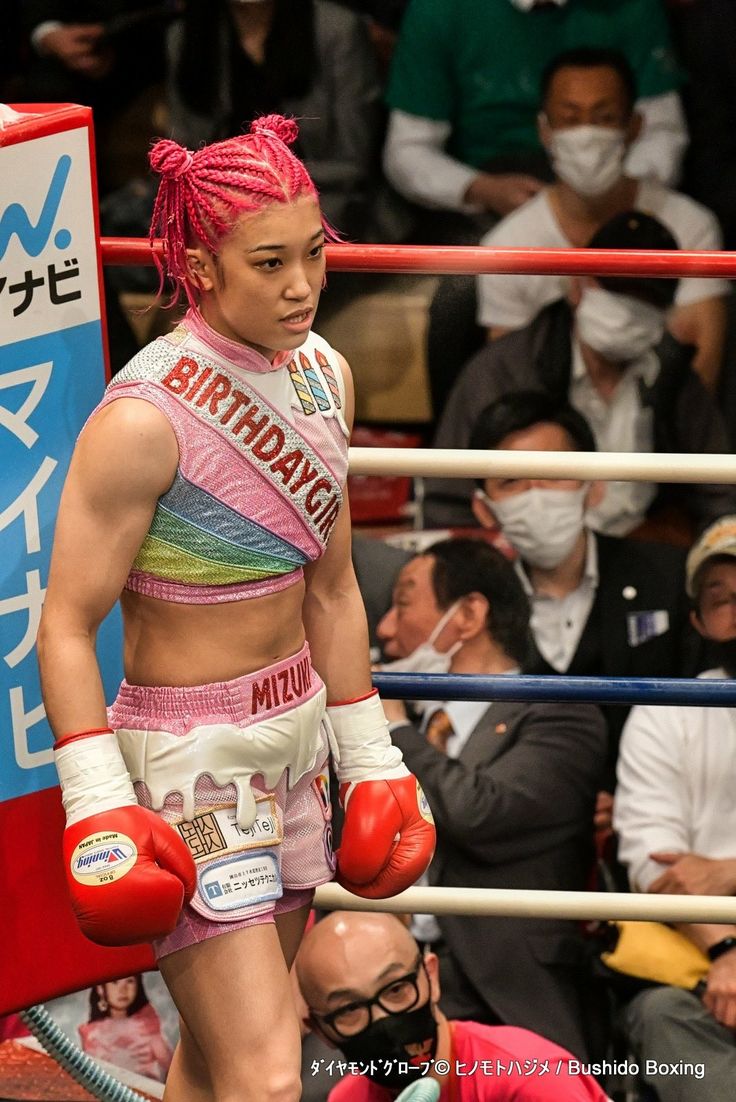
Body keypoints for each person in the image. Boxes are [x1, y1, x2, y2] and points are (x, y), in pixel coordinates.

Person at [35, 114, 435, 1102]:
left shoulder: (324, 374)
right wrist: (97, 801)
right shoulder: (142, 419)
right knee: (264, 1074)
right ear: (202, 265)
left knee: (214, 1067)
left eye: (312, 254)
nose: (301, 285)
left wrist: (372, 757)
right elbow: (66, 621)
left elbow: (333, 587)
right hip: (188, 767)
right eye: (269, 263)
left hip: (298, 739)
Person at [375, 538, 607, 1059]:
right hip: (389, 985)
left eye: (404, 602)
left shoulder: (561, 713)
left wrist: (396, 731)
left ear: (469, 614)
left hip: (512, 989)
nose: (386, 628)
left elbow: (482, 814)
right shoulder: (389, 727)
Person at [425, 212, 736, 536]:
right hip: (521, 555)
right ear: (577, 285)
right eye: (615, 290)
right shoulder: (502, 371)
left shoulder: (674, 375)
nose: (629, 310)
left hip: (642, 550)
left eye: (647, 299)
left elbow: (721, 497)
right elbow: (447, 507)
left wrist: (715, 555)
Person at [465, 392, 703, 788]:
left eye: (555, 472)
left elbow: (701, 712)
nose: (536, 493)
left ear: (594, 487)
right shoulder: (472, 605)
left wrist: (636, 799)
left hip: (653, 804)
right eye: (511, 481)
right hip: (521, 820)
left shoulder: (670, 576)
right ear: (484, 508)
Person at [477, 47, 729, 391]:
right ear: (544, 130)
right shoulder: (506, 248)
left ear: (634, 126)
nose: (587, 133)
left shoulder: (691, 227)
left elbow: (702, 363)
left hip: (664, 423)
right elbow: (508, 378)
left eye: (604, 117)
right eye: (570, 119)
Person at [613, 513, 736, 1102]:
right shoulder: (667, 712)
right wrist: (727, 947)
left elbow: (699, 872)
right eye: (723, 598)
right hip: (701, 964)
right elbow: (652, 864)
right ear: (699, 621)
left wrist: (727, 872)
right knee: (662, 1015)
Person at [296, 911, 613, 1101]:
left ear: (431, 977)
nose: (382, 1019)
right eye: (349, 1010)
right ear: (321, 1031)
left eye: (396, 990)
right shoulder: (348, 1097)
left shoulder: (531, 1079)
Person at [166, 0, 388, 244]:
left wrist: (256, 188)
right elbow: (182, 157)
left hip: (322, 201)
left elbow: (353, 162)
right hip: (218, 212)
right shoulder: (185, 36)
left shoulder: (337, 29)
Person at [79, 975, 173, 1084]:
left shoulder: (146, 1025)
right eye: (114, 982)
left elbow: (171, 1065)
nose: (123, 990)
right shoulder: (93, 1033)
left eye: (130, 981)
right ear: (100, 988)